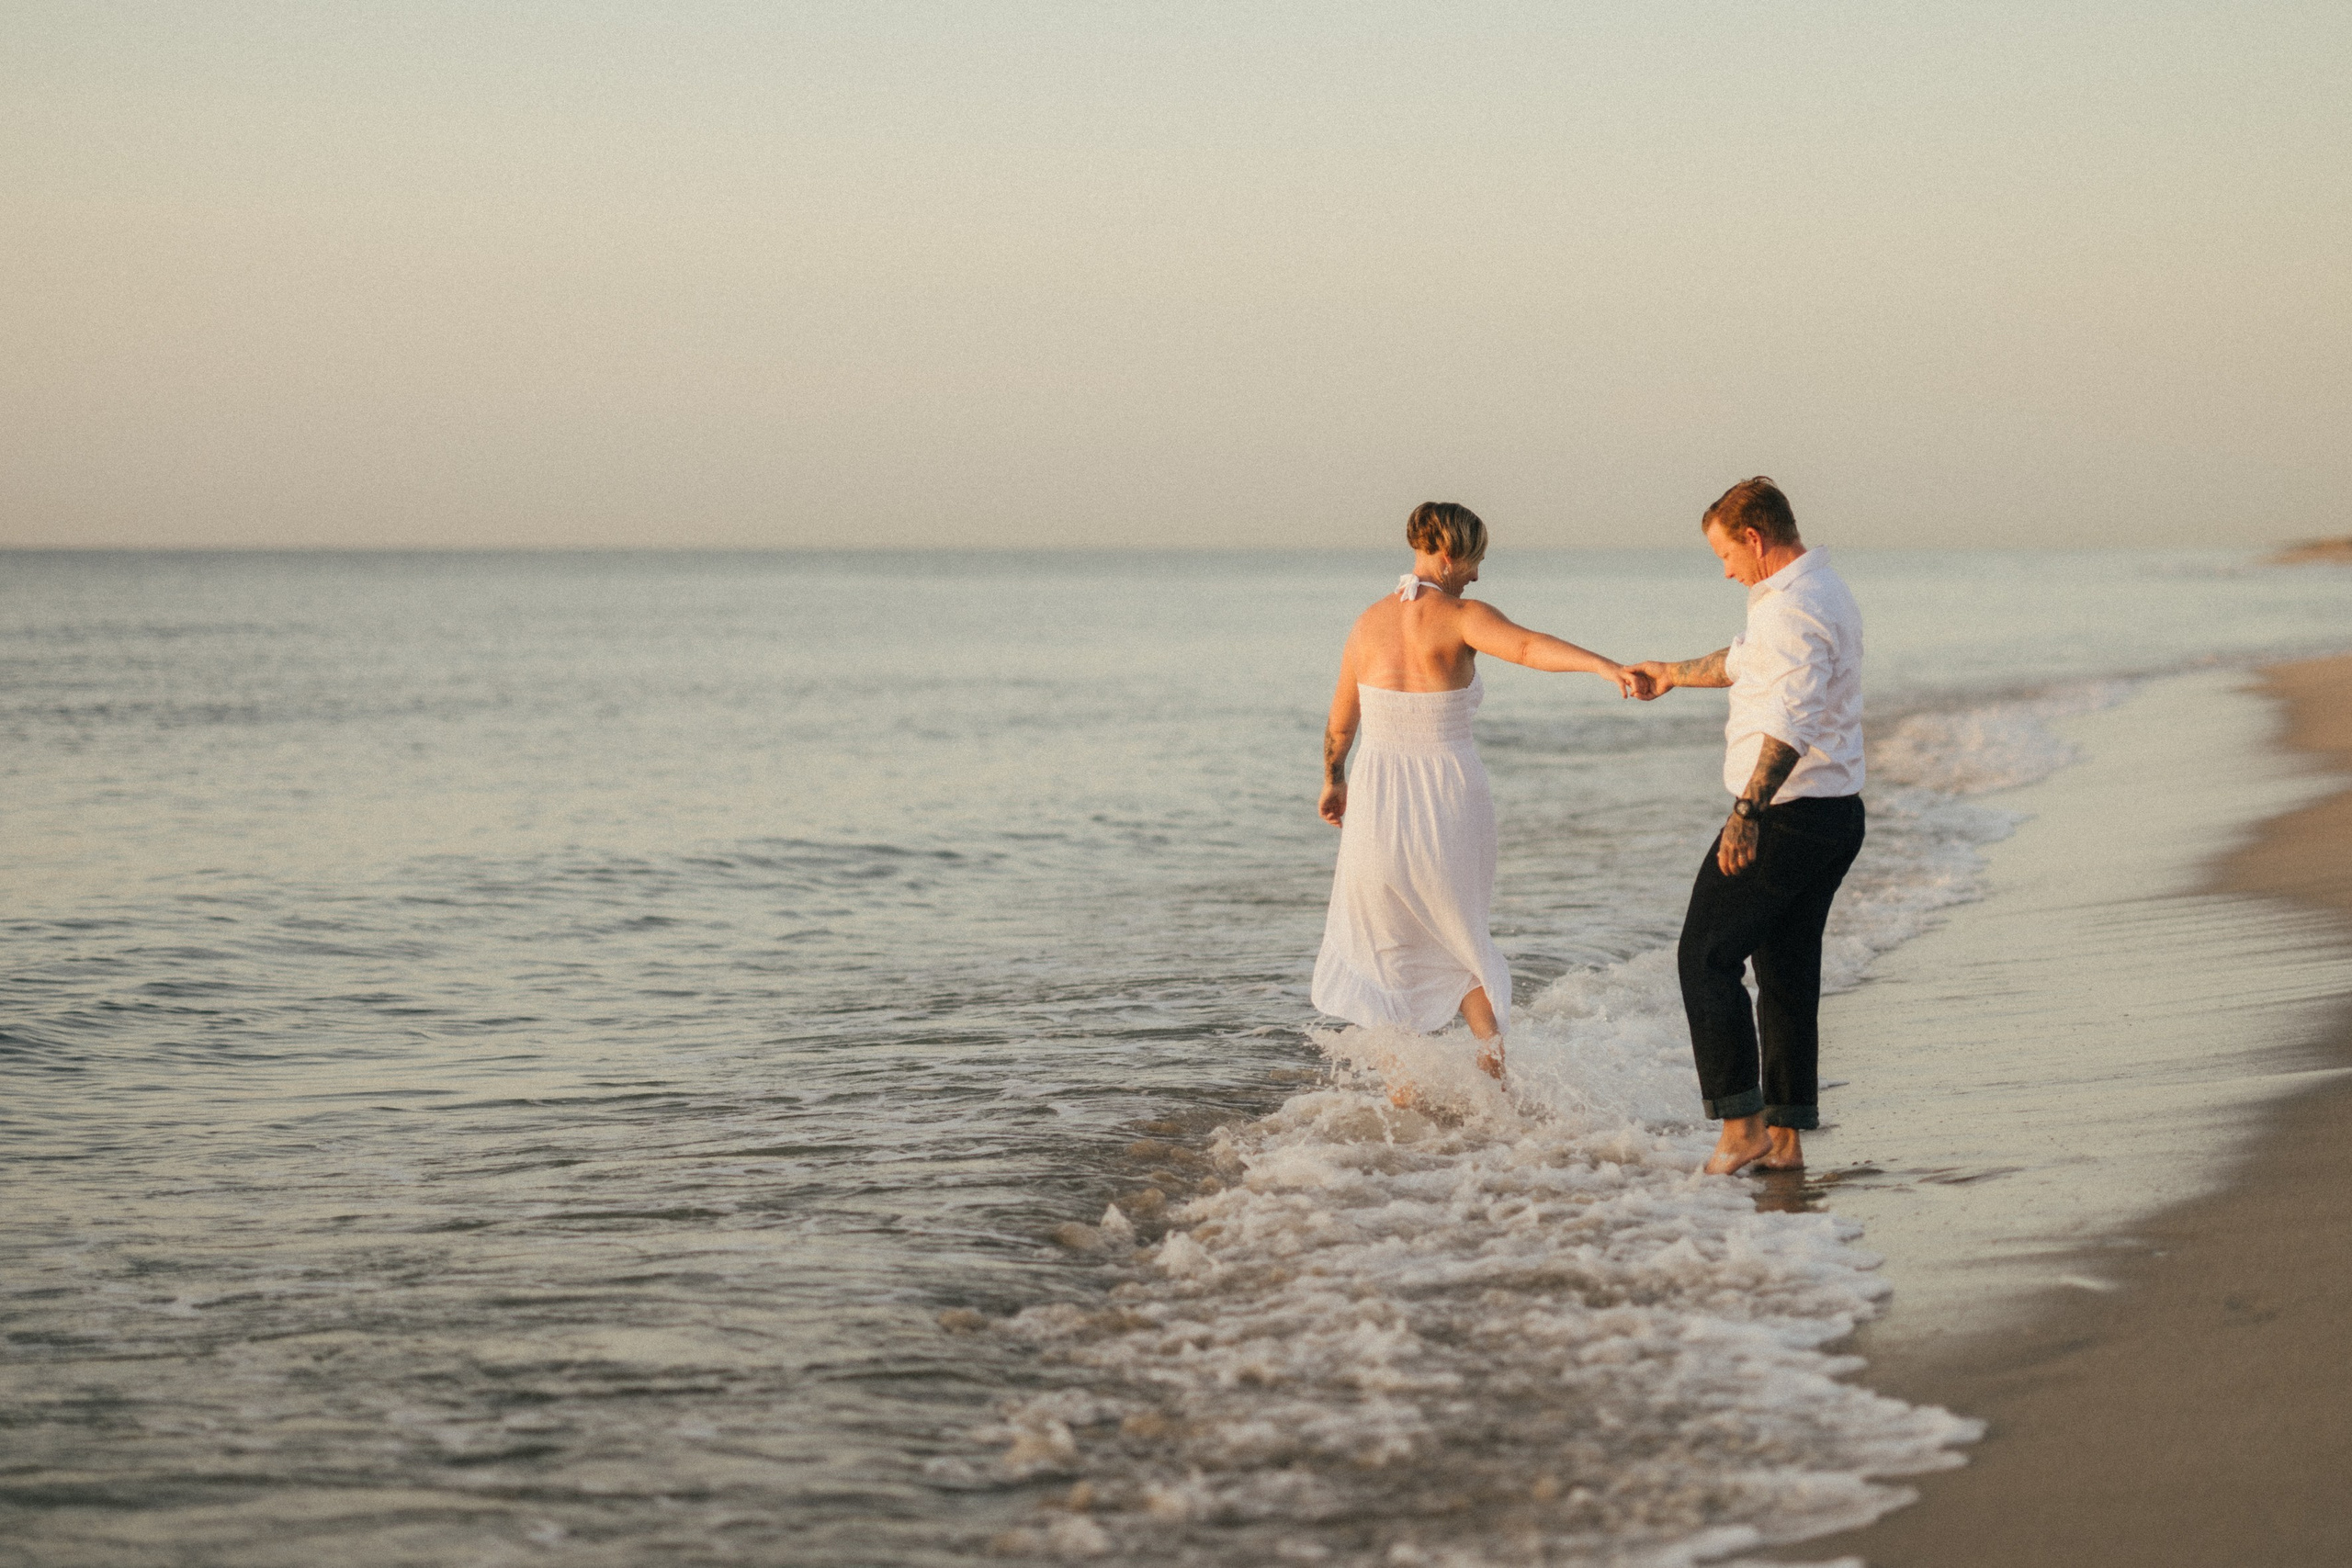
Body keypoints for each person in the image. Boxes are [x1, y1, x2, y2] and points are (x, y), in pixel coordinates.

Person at [1313, 502, 1645, 1083]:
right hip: (1447, 795)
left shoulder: (1366, 622)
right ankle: (1495, 1074)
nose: (1476, 574)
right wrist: (1603, 667)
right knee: (1461, 932)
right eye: (1474, 560)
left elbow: (1342, 726)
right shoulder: (1462, 615)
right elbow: (1526, 647)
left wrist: (1333, 780)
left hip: (1375, 799)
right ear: (1447, 553)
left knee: (1388, 940)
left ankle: (1403, 1088)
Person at [1630, 478, 1865, 1174]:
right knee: (1787, 970)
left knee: (1705, 957)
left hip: (1788, 814)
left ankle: (1741, 1125)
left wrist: (1746, 814)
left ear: (1755, 539)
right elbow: (1743, 663)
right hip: (1835, 812)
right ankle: (1786, 1136)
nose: (1725, 568)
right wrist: (1671, 672)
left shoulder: (1791, 610)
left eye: (1726, 553)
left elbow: (1788, 722)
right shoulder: (1815, 592)